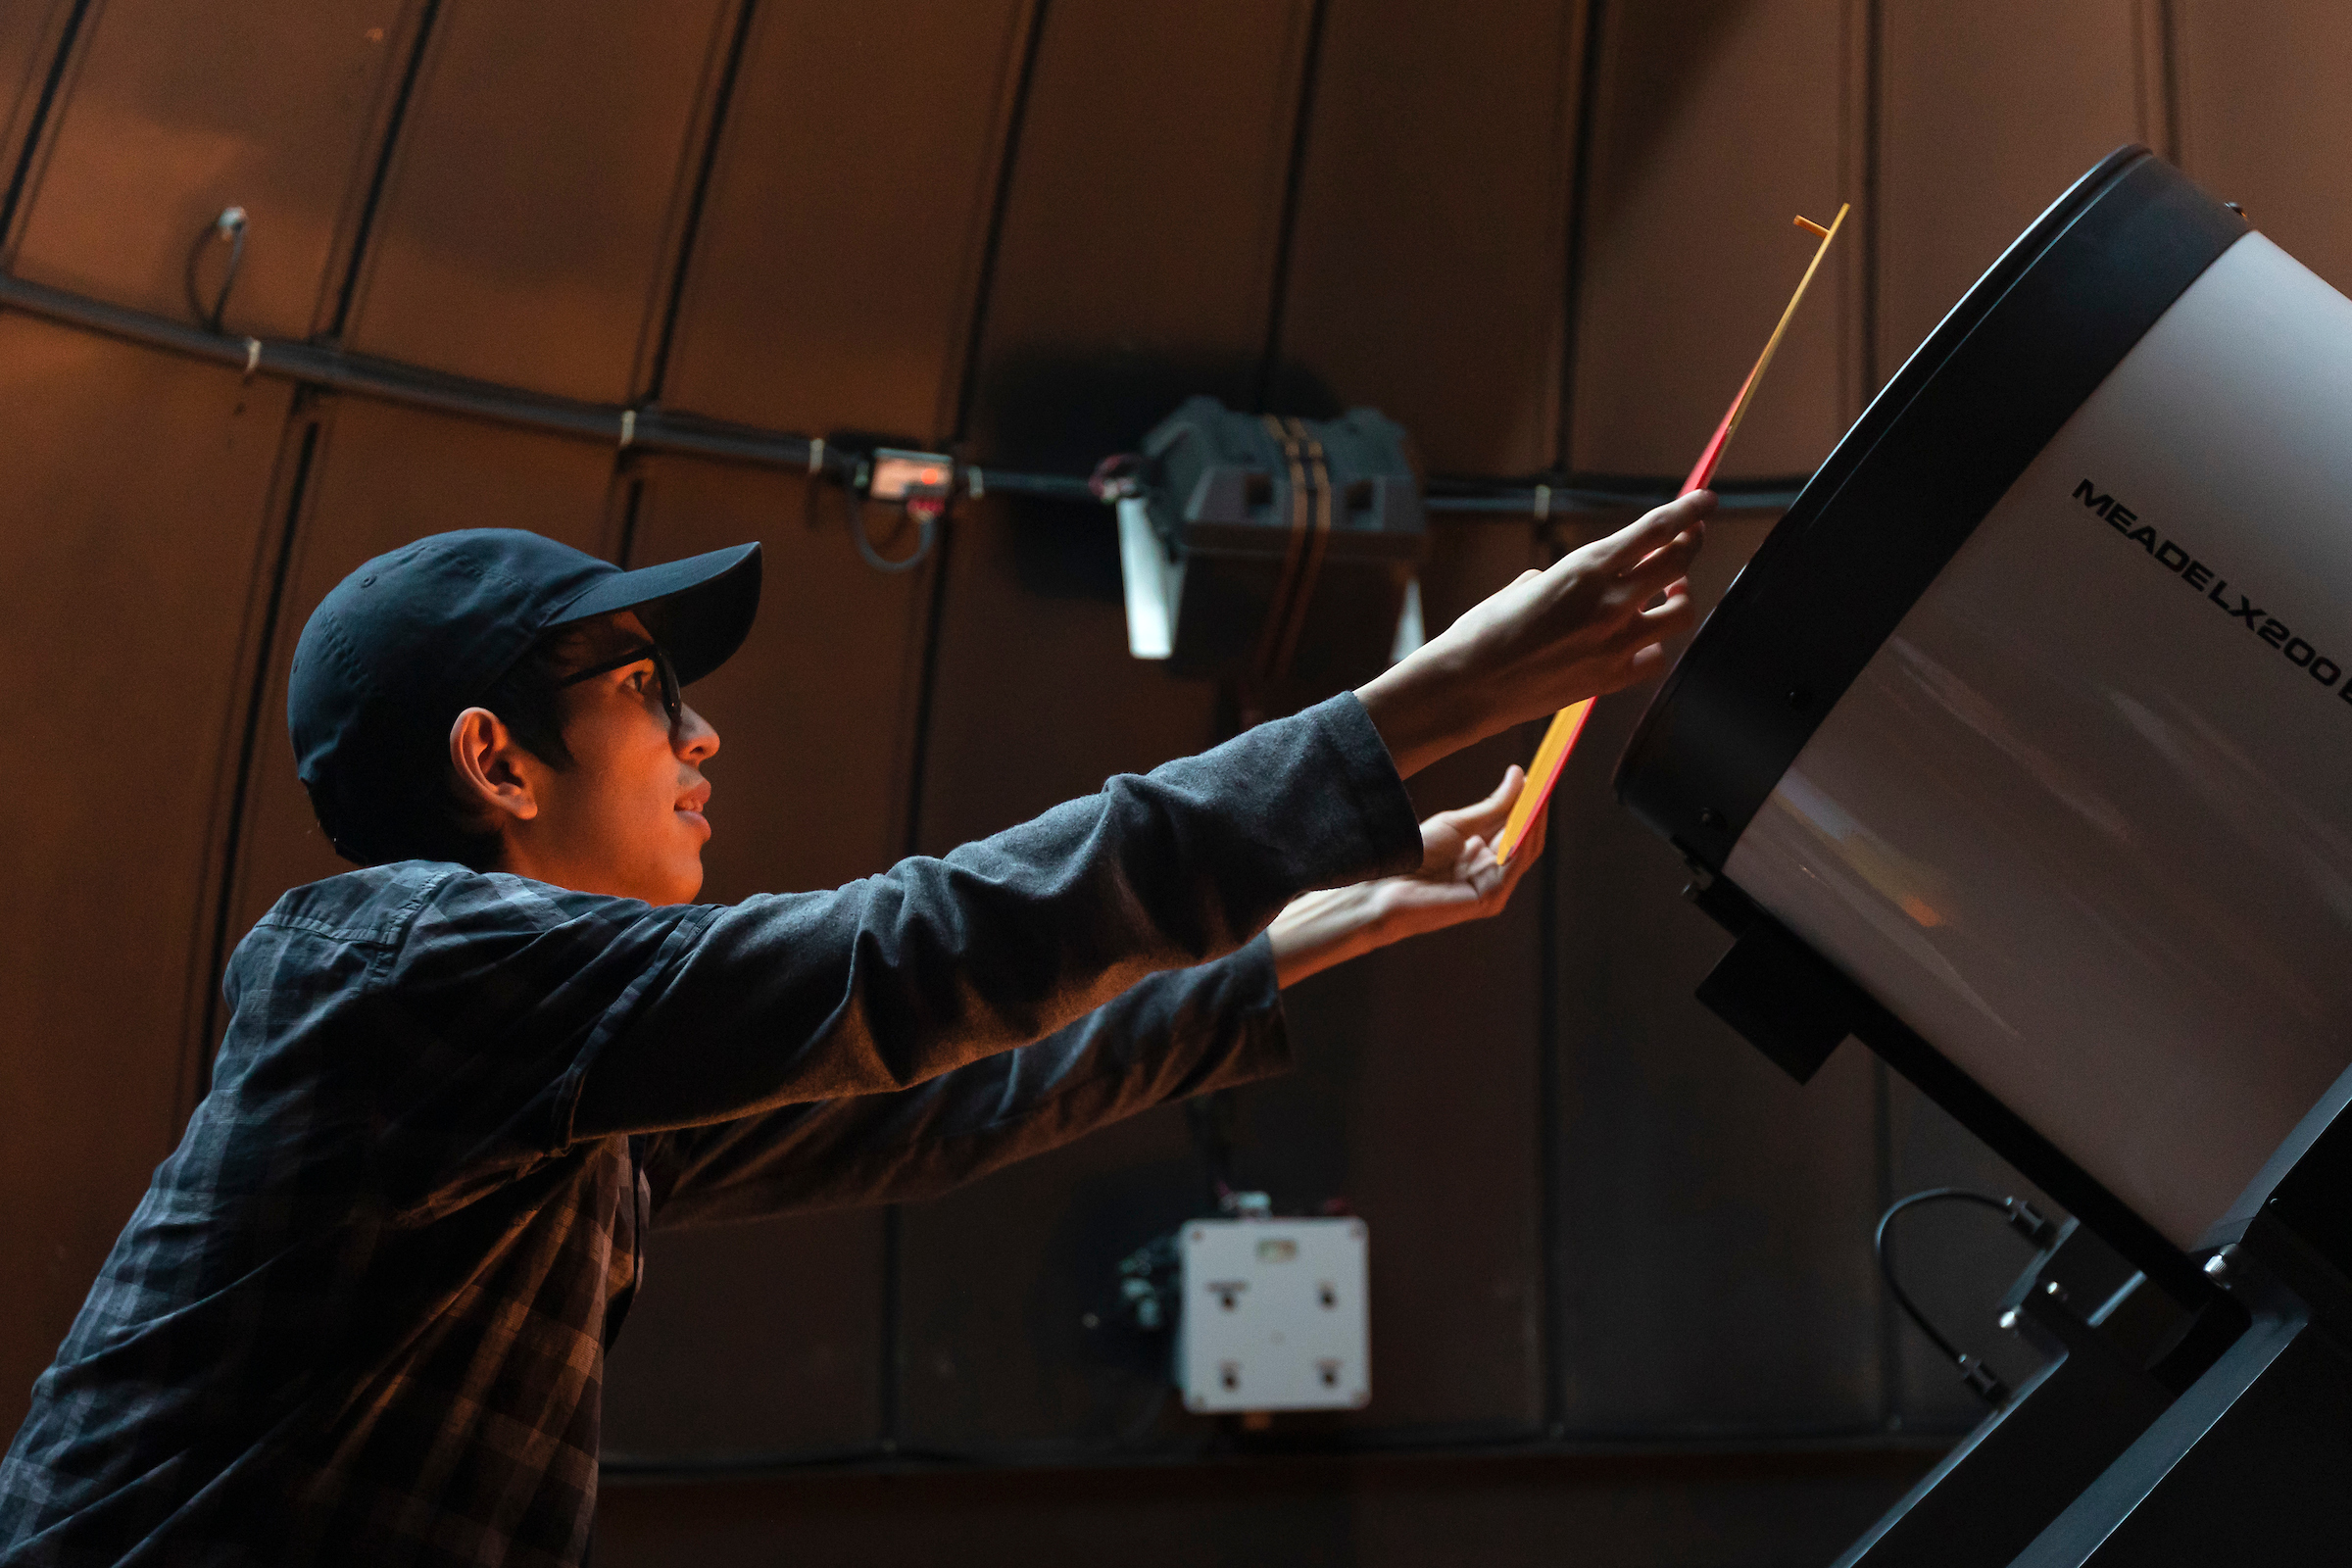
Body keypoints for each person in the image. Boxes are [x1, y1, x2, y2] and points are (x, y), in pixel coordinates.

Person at [0, 491, 1710, 1564]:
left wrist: (1313, 925)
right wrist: (1414, 707)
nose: (702, 737)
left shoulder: (529, 1071)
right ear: (496, 763)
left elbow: (932, 1099)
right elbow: (912, 957)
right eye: (646, 689)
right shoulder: (397, 965)